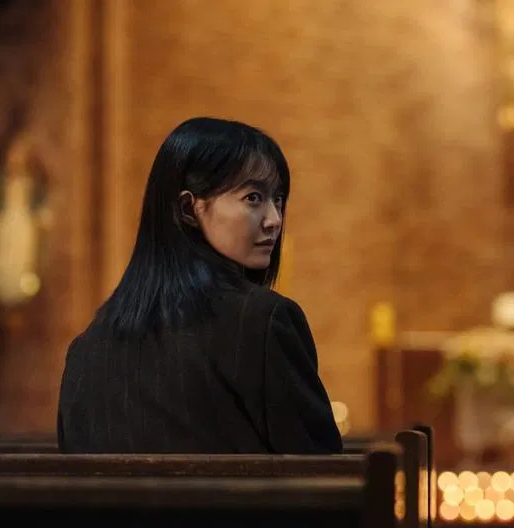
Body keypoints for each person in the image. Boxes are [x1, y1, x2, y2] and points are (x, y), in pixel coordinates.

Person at [57, 117, 343, 454]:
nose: (274, 220)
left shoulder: (86, 348)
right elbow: (322, 470)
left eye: (278, 199)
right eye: (253, 197)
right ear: (188, 209)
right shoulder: (263, 322)